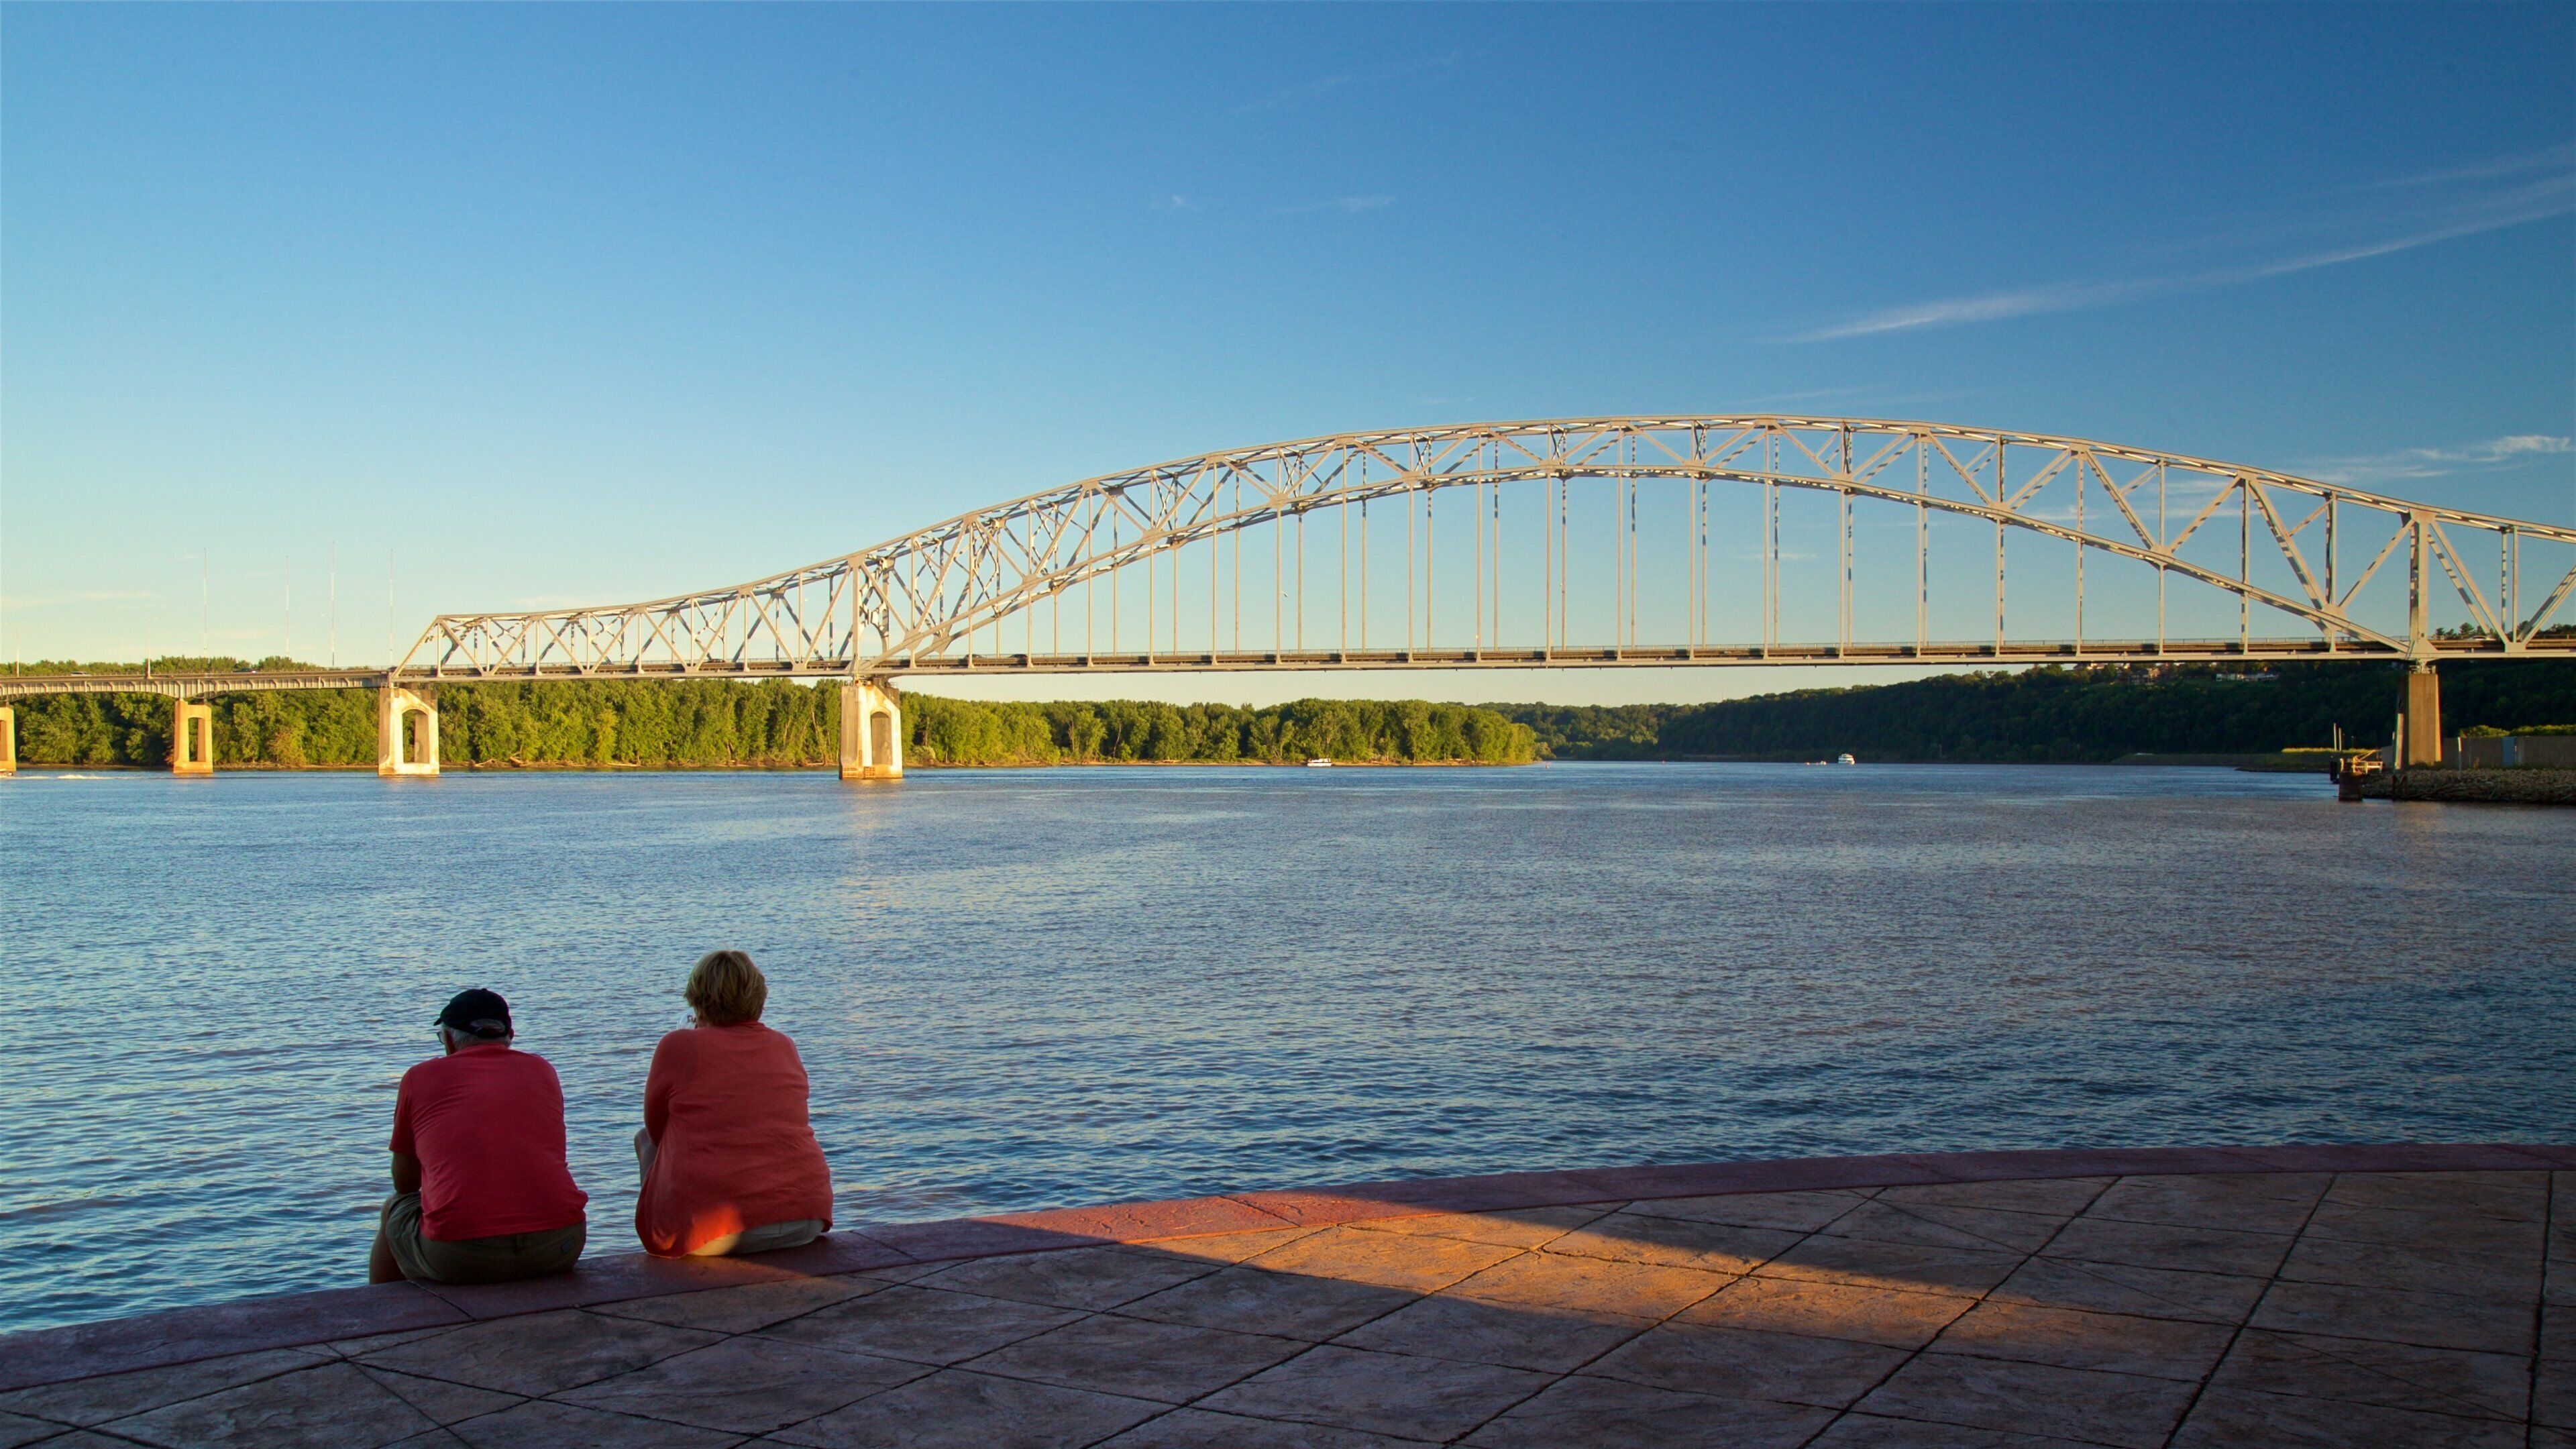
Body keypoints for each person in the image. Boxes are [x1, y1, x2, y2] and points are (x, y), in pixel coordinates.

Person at [368, 989, 588, 1284]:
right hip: (560, 1245)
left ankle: (385, 1319)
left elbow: (406, 1184)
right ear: (510, 1034)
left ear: (447, 1039)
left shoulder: (419, 1077)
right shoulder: (542, 1069)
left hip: (461, 1258)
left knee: (395, 1208)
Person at [634, 950, 833, 1256]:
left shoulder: (679, 1044)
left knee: (645, 1140)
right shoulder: (784, 1044)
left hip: (716, 1233)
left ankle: (670, 1235)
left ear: (697, 997)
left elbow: (657, 1132)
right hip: (805, 1219)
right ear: (758, 997)